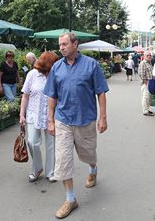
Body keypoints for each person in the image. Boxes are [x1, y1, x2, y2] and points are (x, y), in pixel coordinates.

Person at [44, 33, 109, 219]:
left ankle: (93, 168)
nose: (61, 47)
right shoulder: (56, 67)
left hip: (85, 119)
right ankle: (70, 199)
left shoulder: (91, 65)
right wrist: (50, 119)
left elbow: (101, 93)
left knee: (88, 153)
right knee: (63, 160)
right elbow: (52, 95)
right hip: (63, 119)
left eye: (64, 44)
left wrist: (102, 117)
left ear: (75, 44)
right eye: (60, 45)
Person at [19, 51, 59, 183]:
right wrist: (22, 114)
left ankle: (51, 172)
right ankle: (37, 168)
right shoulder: (32, 75)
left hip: (51, 115)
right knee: (32, 142)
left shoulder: (56, 75)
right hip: (33, 114)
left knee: (51, 144)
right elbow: (25, 95)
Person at [138, 51, 154, 116]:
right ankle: (145, 111)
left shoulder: (149, 63)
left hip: (150, 82)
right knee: (145, 97)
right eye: (147, 55)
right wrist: (146, 83)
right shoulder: (143, 63)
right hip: (146, 83)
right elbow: (142, 75)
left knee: (149, 97)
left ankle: (147, 109)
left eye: (150, 55)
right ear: (144, 56)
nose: (149, 56)